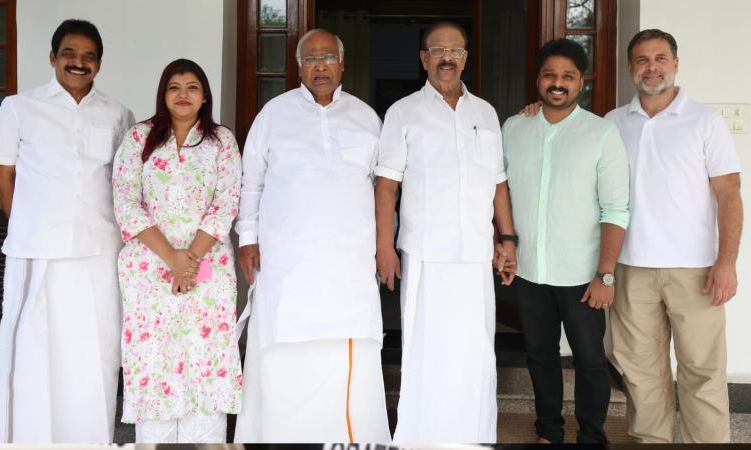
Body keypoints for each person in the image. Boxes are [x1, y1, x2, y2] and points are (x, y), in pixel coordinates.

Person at [0, 19, 134, 443]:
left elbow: (125, 182)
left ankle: (90, 439)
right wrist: (24, 223)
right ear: (52, 58)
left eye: (88, 56)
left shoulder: (118, 114)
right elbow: (3, 174)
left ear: (99, 64)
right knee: (32, 350)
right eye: (69, 54)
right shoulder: (19, 108)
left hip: (100, 250)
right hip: (37, 248)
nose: (78, 63)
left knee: (96, 351)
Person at [233, 29, 390, 443]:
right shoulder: (273, 115)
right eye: (310, 59)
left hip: (348, 265)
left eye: (328, 57)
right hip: (287, 264)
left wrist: (384, 247)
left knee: (346, 354)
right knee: (285, 354)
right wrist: (247, 239)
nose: (320, 66)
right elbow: (251, 182)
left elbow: (385, 190)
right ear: (299, 67)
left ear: (342, 64)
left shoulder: (366, 118)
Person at [375, 21, 516, 443]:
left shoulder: (485, 113)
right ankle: (421, 439)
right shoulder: (403, 112)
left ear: (466, 58)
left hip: (475, 254)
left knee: (474, 353)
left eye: (455, 51)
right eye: (437, 51)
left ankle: (471, 437)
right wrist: (384, 248)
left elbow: (498, 183)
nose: (447, 58)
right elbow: (387, 186)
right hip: (425, 253)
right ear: (424, 59)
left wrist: (507, 240)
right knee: (427, 352)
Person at [605, 29, 742, 443]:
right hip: (631, 267)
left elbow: (729, 194)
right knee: (641, 372)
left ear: (676, 63)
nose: (652, 67)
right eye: (643, 60)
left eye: (661, 58)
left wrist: (726, 262)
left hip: (695, 269)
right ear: (630, 67)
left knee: (702, 370)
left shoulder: (705, 121)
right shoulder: (613, 123)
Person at [502, 38, 629, 444]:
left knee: (590, 360)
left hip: (582, 275)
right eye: (550, 75)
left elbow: (616, 209)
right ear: (538, 80)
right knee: (540, 356)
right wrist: (502, 242)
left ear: (581, 82)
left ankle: (591, 436)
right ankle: (549, 433)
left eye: (568, 76)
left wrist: (605, 275)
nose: (558, 83)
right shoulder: (514, 128)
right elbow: (497, 190)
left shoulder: (601, 133)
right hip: (529, 270)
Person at [112, 59, 243, 443]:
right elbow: (125, 201)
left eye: (192, 87)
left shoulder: (222, 141)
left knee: (205, 355)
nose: (183, 95)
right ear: (163, 94)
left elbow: (226, 202)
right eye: (174, 87)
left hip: (208, 268)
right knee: (155, 357)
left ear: (204, 97)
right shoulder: (139, 138)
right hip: (150, 268)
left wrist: (190, 261)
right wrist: (172, 258)